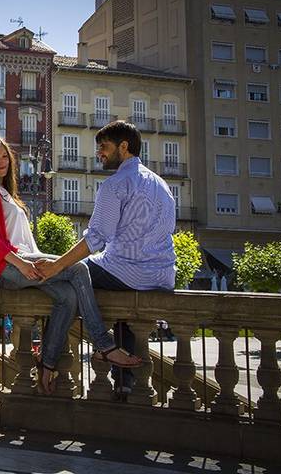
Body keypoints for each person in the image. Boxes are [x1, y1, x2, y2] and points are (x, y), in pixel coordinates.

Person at [0, 136, 141, 394]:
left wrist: (38, 261)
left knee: (67, 297)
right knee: (80, 268)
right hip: (7, 268)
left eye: (4, 156)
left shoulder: (4, 191)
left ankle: (47, 365)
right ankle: (105, 344)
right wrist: (22, 264)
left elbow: (21, 240)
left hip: (22, 261)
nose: (1, 162)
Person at [37, 120, 176, 393]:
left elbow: (95, 240)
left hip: (127, 272)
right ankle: (124, 384)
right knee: (118, 307)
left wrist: (55, 267)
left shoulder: (116, 184)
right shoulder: (161, 184)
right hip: (162, 276)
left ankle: (50, 360)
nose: (99, 153)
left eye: (104, 147)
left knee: (69, 278)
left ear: (124, 147)